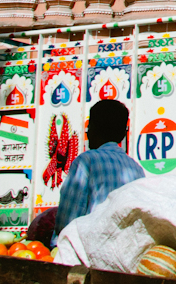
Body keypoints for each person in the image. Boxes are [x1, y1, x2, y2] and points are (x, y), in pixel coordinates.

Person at [53, 100, 144, 247]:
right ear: (122, 134)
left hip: (89, 254)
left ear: (91, 128)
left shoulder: (86, 161)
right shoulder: (136, 169)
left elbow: (66, 223)